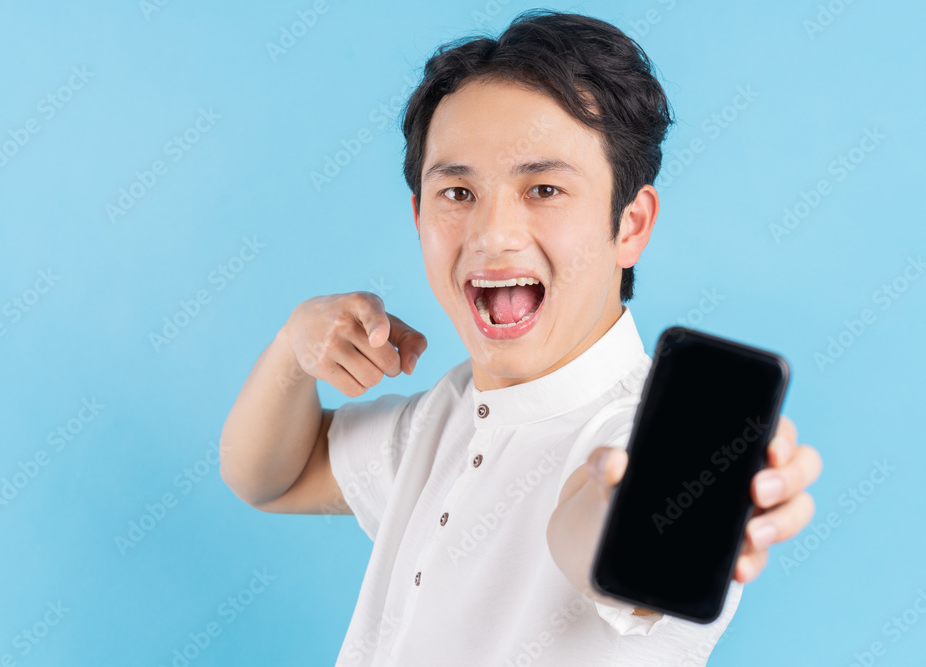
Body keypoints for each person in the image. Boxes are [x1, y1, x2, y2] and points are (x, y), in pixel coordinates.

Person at [220, 9, 823, 665]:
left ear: (631, 224)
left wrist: (664, 507)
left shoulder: (627, 432)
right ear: (419, 216)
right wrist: (293, 346)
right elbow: (271, 479)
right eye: (457, 191)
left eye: (543, 187)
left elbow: (604, 526)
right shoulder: (442, 416)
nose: (493, 233)